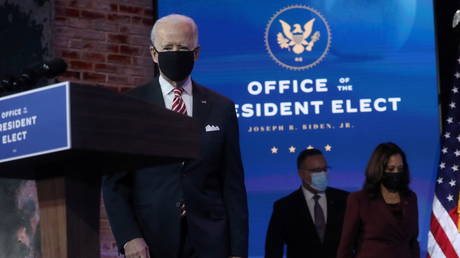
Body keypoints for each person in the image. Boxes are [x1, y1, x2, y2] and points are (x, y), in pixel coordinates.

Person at [102, 14, 248, 258]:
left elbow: (232, 186)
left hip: (211, 240)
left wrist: (238, 251)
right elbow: (114, 183)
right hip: (150, 241)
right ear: (153, 54)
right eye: (168, 48)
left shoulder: (221, 108)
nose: (175, 53)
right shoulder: (130, 106)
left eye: (182, 47)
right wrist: (129, 237)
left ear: (196, 53)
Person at [337, 142, 420, 258]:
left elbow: (413, 242)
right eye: (390, 169)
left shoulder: (410, 198)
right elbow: (345, 248)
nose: (396, 173)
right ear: (378, 169)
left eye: (400, 169)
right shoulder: (359, 200)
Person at [265, 149, 349, 258]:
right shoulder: (284, 207)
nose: (323, 174)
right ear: (301, 174)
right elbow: (273, 249)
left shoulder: (345, 199)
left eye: (325, 169)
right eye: (316, 170)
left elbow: (360, 240)